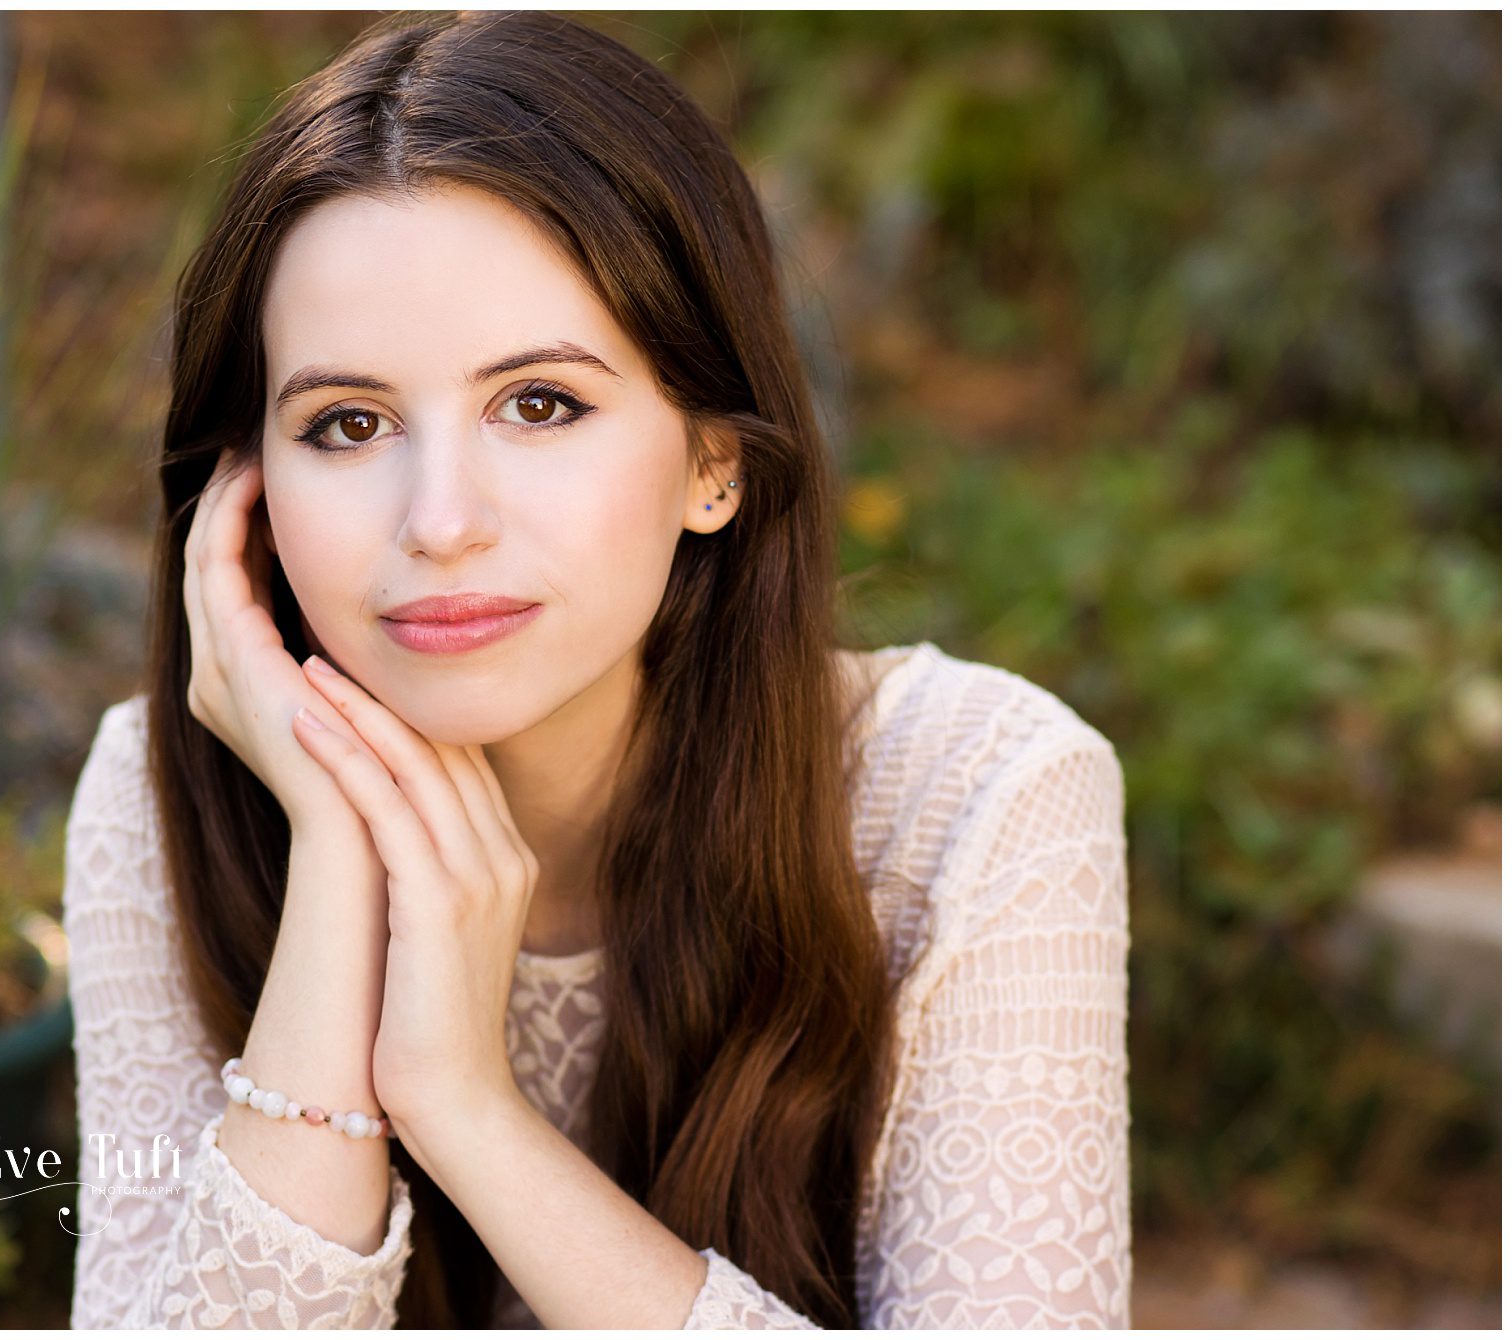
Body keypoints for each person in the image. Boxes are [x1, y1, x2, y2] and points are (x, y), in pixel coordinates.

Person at [64, 10, 1130, 1329]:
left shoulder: (973, 800)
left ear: (712, 461)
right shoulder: (161, 797)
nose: (440, 521)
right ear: (252, 496)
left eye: (540, 404)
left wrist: (463, 1105)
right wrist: (339, 851)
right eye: (347, 424)